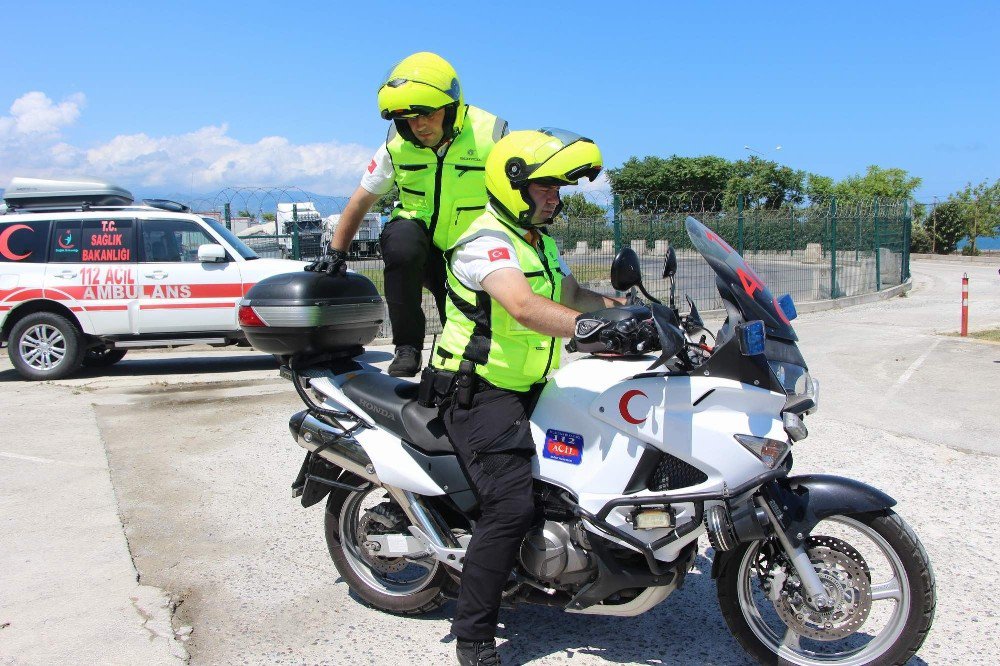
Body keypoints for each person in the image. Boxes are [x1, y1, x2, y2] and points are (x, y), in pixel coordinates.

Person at [422, 128, 656, 665]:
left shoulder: (540, 241)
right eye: (546, 186)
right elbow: (524, 306)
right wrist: (595, 332)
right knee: (510, 505)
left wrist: (627, 312)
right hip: (478, 392)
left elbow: (570, 295)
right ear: (513, 186)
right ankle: (475, 635)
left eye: (557, 188)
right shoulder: (485, 241)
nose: (555, 197)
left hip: (531, 386)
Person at [306, 52, 507, 377]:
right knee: (400, 243)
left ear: (451, 107)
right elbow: (361, 199)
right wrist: (336, 253)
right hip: (418, 239)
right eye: (408, 118)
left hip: (469, 248)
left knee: (466, 331)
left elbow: (521, 190)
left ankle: (463, 376)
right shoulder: (396, 144)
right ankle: (407, 347)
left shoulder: (491, 135)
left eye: (426, 114)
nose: (419, 126)